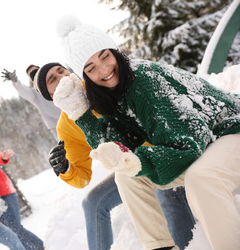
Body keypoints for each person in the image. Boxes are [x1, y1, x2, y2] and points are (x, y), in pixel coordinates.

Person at [53, 14, 240, 250]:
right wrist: (82, 115)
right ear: (86, 78)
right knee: (126, 176)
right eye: (91, 68)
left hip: (229, 130)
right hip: (206, 144)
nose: (104, 69)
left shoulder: (143, 79)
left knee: (201, 178)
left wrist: (136, 161)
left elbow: (187, 145)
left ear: (115, 52)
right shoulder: (114, 94)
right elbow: (121, 147)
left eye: (105, 56)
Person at [33, 63, 195, 250]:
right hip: (127, 170)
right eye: (52, 79)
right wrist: (65, 168)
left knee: (166, 194)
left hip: (160, 155)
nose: (61, 76)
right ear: (52, 96)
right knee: (93, 202)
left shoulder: (99, 84)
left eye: (61, 70)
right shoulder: (66, 126)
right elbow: (82, 178)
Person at [1, 64, 62, 141]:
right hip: (58, 128)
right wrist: (15, 81)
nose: (34, 74)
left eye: (35, 71)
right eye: (31, 74)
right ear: (31, 80)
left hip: (73, 119)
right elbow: (23, 91)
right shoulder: (35, 94)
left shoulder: (54, 81)